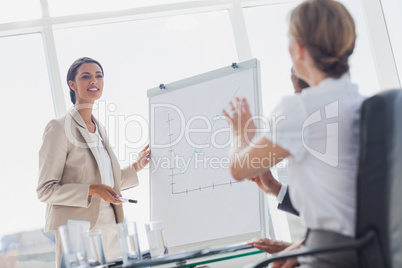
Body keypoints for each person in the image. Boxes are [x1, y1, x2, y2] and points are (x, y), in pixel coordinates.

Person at [223, 0, 364, 267]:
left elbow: (238, 169)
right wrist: (301, 246)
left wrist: (239, 134)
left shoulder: (302, 108)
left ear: (298, 49)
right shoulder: (365, 105)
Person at [37, 57, 150, 267]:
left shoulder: (99, 129)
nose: (94, 81)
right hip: (78, 231)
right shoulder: (58, 127)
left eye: (99, 76)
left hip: (111, 226)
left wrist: (137, 166)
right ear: (72, 84)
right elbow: (45, 190)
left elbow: (105, 182)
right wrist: (92, 189)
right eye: (86, 76)